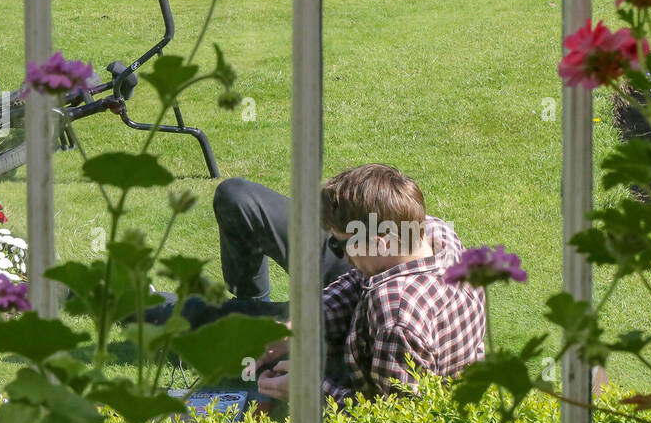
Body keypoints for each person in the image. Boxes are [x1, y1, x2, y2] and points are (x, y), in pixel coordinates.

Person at [177, 165, 487, 409]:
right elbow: (360, 280)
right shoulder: (436, 235)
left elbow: (392, 417)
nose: (340, 256)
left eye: (339, 246)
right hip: (368, 352)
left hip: (367, 374)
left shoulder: (396, 315)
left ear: (378, 244)